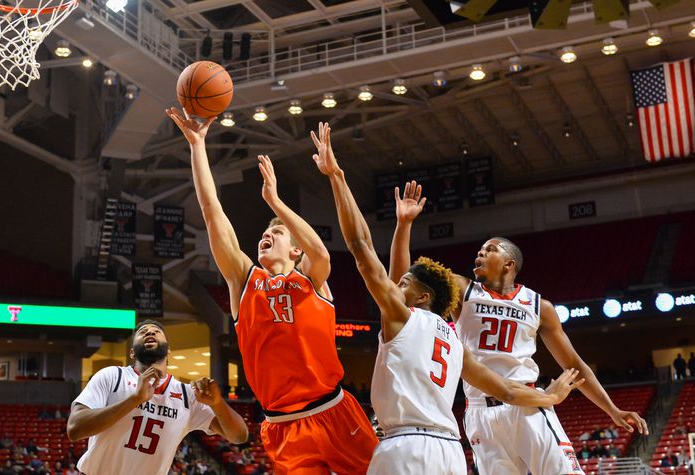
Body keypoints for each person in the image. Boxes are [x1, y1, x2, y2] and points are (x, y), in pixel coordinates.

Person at [311, 122, 584, 474]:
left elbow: (361, 249)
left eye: (404, 283)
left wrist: (336, 176)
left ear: (422, 297)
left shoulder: (404, 318)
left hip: (406, 447)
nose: (397, 285)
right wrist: (552, 396)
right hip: (451, 451)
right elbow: (509, 391)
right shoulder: (455, 345)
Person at [166, 108, 377, 474]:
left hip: (333, 410)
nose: (266, 235)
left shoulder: (311, 278)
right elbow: (211, 211)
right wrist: (198, 146)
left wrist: (276, 203)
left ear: (295, 250)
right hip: (281, 425)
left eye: (276, 233)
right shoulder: (244, 281)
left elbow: (322, 253)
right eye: (265, 232)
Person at [389, 181, 649, 475]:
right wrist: (404, 225)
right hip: (479, 412)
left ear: (508, 263)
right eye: (479, 251)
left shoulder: (541, 307)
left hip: (528, 405)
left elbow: (575, 365)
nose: (479, 254)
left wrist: (611, 409)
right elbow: (402, 285)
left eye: (489, 249)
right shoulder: (463, 290)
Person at [66, 320, 248, 475]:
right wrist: (135, 400)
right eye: (143, 332)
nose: (150, 332)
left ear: (169, 352)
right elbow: (75, 429)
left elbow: (239, 436)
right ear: (132, 353)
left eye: (156, 331)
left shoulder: (187, 395)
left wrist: (217, 403)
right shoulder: (113, 376)